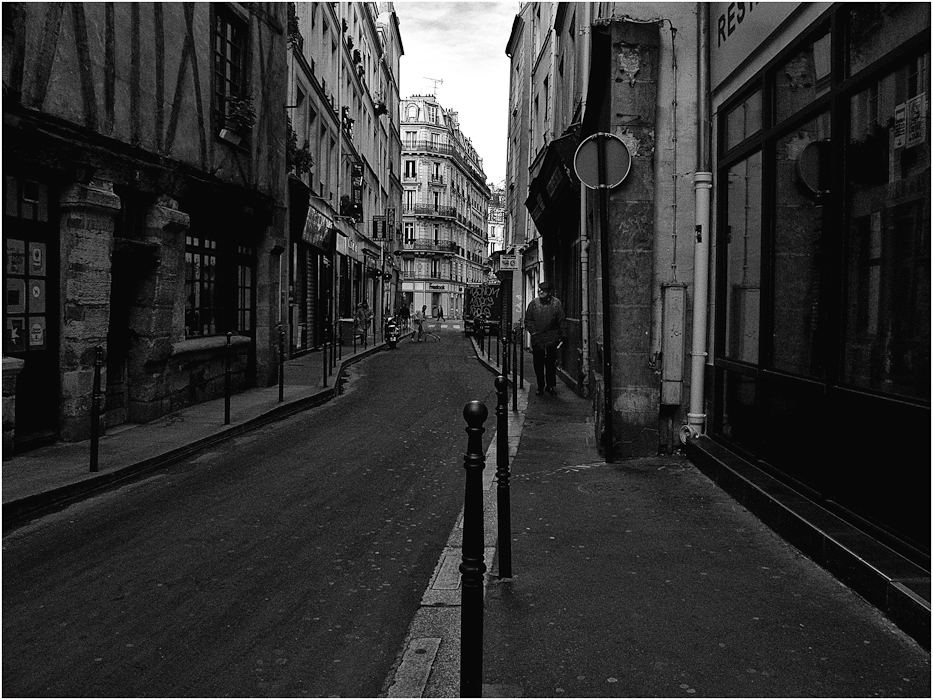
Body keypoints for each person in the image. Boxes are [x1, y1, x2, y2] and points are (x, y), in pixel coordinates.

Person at [524, 281, 568, 396]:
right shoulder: (534, 304)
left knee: (550, 364)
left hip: (552, 339)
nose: (540, 291)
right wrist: (533, 332)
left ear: (549, 292)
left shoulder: (556, 304)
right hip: (538, 339)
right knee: (538, 365)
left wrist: (563, 335)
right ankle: (540, 386)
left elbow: (561, 320)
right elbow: (528, 320)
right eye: (539, 289)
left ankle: (550, 385)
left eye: (543, 290)